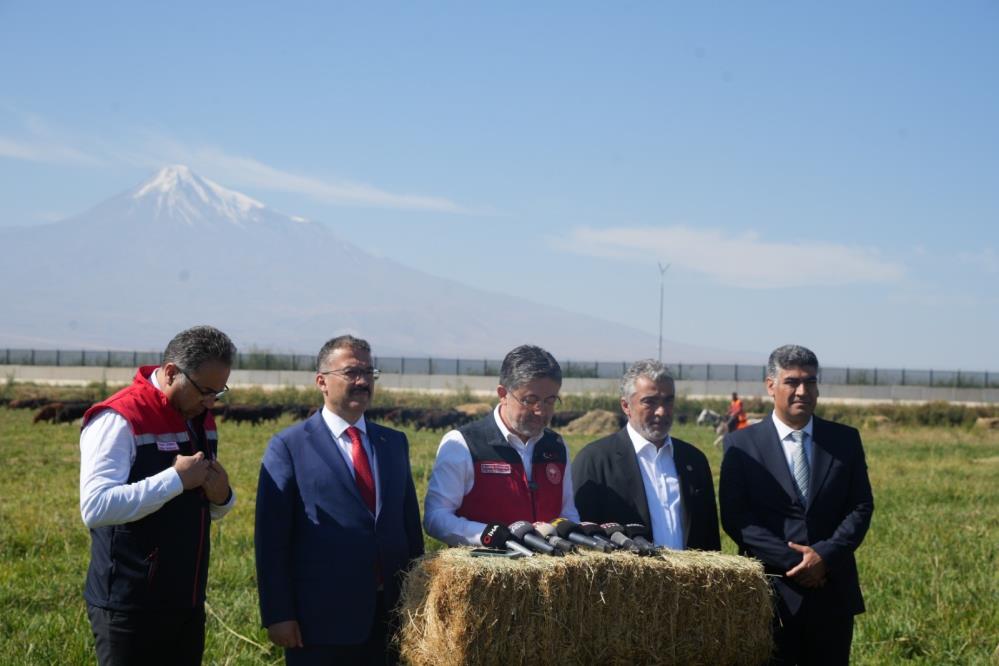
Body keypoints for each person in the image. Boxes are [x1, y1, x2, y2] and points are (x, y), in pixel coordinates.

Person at [255, 335, 424, 665]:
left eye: (368, 372)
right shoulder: (289, 446)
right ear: (322, 381)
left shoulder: (393, 443)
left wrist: (418, 599)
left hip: (390, 616)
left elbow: (408, 528)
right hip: (320, 620)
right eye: (351, 372)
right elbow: (271, 540)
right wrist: (278, 613)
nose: (362, 381)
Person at [79, 325, 237, 666]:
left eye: (218, 393)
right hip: (130, 606)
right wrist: (175, 480)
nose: (210, 402)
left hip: (187, 600)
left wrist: (223, 497)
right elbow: (95, 507)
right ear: (170, 372)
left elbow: (200, 505)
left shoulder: (200, 418)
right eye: (204, 391)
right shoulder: (119, 418)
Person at [719, 345, 874, 665]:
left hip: (832, 593)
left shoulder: (844, 440)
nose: (802, 390)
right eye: (792, 382)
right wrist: (796, 561)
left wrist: (825, 556)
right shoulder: (742, 445)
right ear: (770, 385)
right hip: (770, 594)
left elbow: (860, 506)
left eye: (810, 382)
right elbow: (737, 517)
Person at [423, 344, 580, 546]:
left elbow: (567, 512)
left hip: (546, 572)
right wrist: (491, 536)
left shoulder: (557, 446)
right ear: (503, 393)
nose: (540, 411)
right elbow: (436, 517)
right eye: (530, 400)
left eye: (550, 401)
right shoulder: (464, 444)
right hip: (486, 571)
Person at [572, 359, 721, 550]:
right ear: (626, 406)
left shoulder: (694, 460)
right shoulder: (595, 461)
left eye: (668, 400)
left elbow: (710, 539)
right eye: (649, 402)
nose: (662, 411)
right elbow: (584, 539)